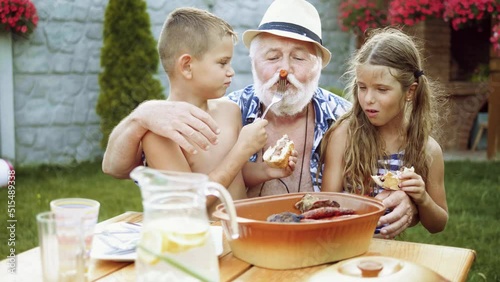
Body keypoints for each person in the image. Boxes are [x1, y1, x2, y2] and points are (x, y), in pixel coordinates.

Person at [102, 0, 417, 238]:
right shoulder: (231, 109)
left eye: (298, 58)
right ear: (253, 61)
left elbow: (401, 163)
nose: (284, 71)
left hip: (323, 248)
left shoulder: (348, 118)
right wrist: (141, 116)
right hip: (232, 245)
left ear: (318, 67)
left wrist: (411, 202)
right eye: (272, 57)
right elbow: (117, 167)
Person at [320, 28, 448, 236]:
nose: (369, 99)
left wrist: (422, 198)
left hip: (388, 254)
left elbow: (438, 224)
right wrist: (369, 206)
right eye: (362, 87)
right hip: (342, 243)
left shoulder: (428, 149)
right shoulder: (344, 135)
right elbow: (326, 204)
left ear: (410, 91)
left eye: (381, 89)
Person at [141, 7, 270, 211]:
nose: (231, 72)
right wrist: (242, 150)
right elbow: (189, 205)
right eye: (222, 63)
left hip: (245, 235)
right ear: (186, 66)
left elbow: (237, 176)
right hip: (205, 239)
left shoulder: (230, 111)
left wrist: (266, 170)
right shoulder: (161, 134)